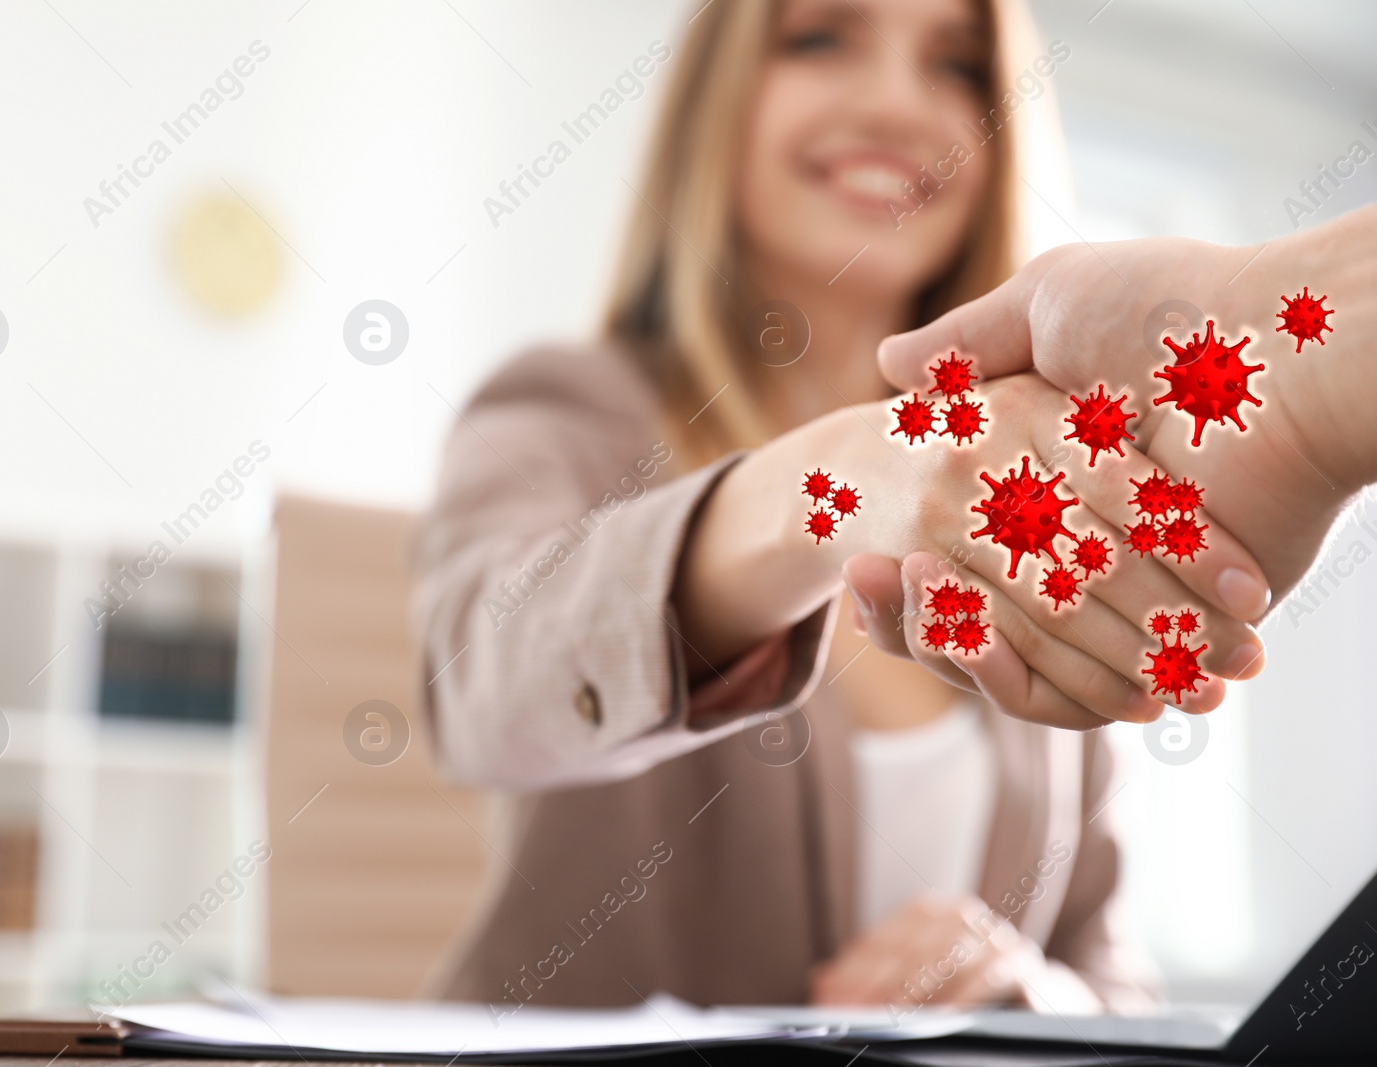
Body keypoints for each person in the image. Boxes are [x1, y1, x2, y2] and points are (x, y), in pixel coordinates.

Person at [414, 0, 1253, 1014]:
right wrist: (832, 483)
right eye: (819, 37)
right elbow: (477, 691)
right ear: (714, 105)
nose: (900, 105)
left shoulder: (1029, 500)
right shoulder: (567, 410)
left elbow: (1109, 965)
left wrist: (1031, 994)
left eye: (954, 67)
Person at [849, 204, 1376, 685]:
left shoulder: (1053, 626)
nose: (895, 103)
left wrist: (1296, 385)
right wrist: (846, 459)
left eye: (970, 91)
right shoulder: (1054, 628)